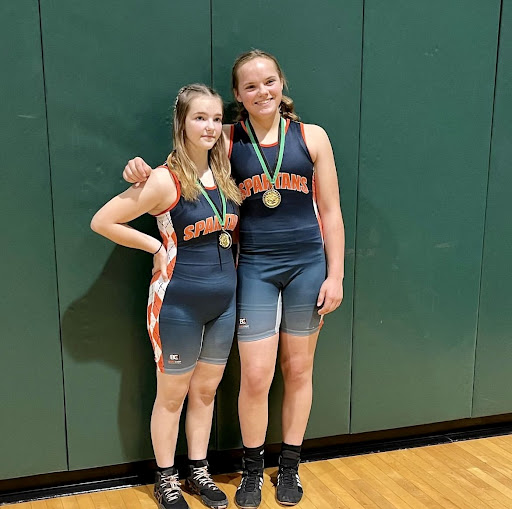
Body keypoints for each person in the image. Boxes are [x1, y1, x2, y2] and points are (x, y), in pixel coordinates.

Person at [123, 50, 345, 509]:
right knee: (257, 375)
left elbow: (331, 213)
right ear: (238, 96)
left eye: (269, 81)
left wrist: (336, 274)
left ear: (282, 82)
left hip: (308, 266)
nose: (262, 91)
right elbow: (182, 162)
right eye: (250, 86)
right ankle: (251, 470)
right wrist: (137, 171)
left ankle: (290, 466)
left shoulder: (313, 137)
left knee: (299, 370)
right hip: (254, 269)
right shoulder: (225, 137)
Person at [91, 84, 242, 509]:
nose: (210, 126)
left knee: (207, 393)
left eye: (216, 118)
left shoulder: (227, 174)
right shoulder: (163, 179)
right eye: (200, 117)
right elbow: (103, 220)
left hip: (224, 305)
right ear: (182, 122)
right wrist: (156, 248)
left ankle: (198, 471)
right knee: (172, 396)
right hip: (177, 304)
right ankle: (166, 478)